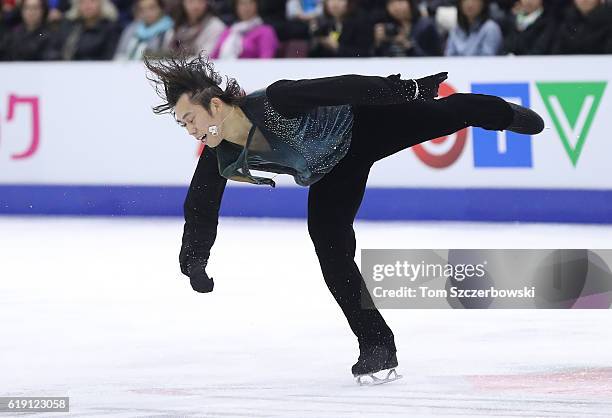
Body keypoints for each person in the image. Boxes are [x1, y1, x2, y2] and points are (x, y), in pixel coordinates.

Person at [143, 53, 544, 381]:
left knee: (455, 110)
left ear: (215, 104)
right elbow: (200, 206)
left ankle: (503, 114)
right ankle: (377, 345)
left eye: (190, 119)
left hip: (364, 128)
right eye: (182, 125)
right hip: (332, 173)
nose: (189, 130)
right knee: (331, 249)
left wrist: (407, 90)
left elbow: (345, 86)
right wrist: (194, 259)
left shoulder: (274, 100)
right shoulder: (220, 153)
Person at [210, 0, 279, 58]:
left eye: (250, 3)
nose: (247, 7)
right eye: (242, 4)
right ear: (236, 7)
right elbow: (213, 57)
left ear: (257, 5)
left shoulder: (266, 31)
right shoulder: (228, 31)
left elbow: (266, 60)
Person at [372, 0, 442, 57]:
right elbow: (378, 59)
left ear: (410, 3)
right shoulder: (388, 27)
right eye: (391, 3)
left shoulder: (426, 26)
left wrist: (407, 45)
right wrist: (378, 43)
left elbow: (435, 58)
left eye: (400, 1)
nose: (396, 6)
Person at [308, 0, 372, 57]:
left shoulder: (361, 22)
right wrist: (315, 38)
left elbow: (364, 53)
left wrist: (337, 48)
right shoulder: (323, 23)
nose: (335, 3)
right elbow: (312, 56)